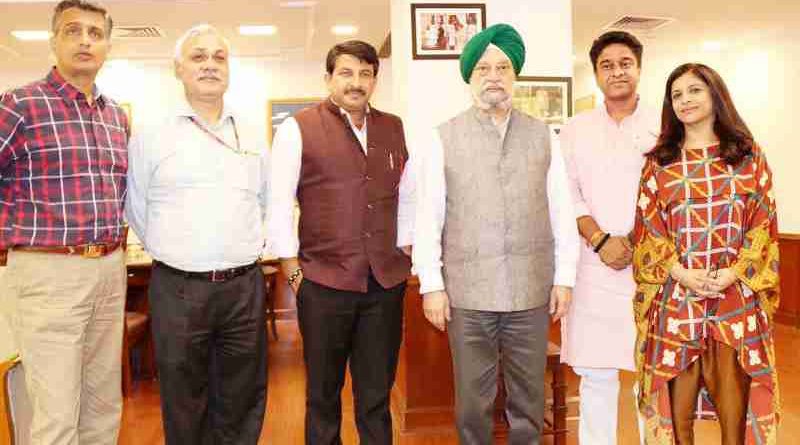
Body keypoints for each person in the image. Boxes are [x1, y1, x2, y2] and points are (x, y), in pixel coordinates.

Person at [413, 23, 579, 445]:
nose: (493, 76)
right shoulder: (442, 138)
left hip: (531, 292)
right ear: (470, 77)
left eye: (502, 67)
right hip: (468, 295)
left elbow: (561, 211)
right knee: (473, 402)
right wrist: (431, 285)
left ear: (515, 75)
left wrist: (565, 277)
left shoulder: (544, 137)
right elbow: (428, 217)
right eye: (483, 67)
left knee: (529, 401)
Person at [125, 24, 269, 445]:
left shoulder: (251, 132)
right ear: (178, 69)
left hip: (243, 286)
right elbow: (137, 207)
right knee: (184, 398)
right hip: (179, 289)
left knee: (243, 395)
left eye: (219, 57)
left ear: (229, 69)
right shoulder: (152, 133)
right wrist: (182, 252)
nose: (209, 65)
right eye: (198, 57)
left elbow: (262, 201)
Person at [268, 40, 414, 445]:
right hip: (324, 284)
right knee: (323, 397)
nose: (356, 82)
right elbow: (278, 203)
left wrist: (407, 249)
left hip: (384, 285)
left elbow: (407, 196)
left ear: (374, 80)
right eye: (346, 73)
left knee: (375, 396)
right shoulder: (299, 128)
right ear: (329, 78)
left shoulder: (393, 126)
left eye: (365, 74)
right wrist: (294, 273)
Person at [0, 1, 128, 443]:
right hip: (48, 272)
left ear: (108, 44)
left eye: (95, 33)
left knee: (102, 407)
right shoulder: (20, 105)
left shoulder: (115, 116)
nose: (85, 40)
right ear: (54, 40)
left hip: (110, 271)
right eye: (73, 31)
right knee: (56, 415)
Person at [633, 63, 780, 444]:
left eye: (694, 90)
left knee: (735, 417)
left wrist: (735, 272)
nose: (685, 100)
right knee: (677, 419)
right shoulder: (659, 164)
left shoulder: (749, 158)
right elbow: (648, 229)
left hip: (734, 301)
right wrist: (680, 273)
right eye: (676, 94)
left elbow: (763, 225)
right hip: (677, 302)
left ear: (716, 94)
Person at [559, 30, 660, 445]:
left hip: (652, 267)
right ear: (597, 74)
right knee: (596, 377)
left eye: (625, 63)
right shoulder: (575, 128)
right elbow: (566, 193)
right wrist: (601, 241)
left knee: (653, 376)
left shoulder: (665, 123)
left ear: (638, 68)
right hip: (593, 266)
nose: (617, 72)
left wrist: (640, 242)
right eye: (607, 65)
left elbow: (674, 191)